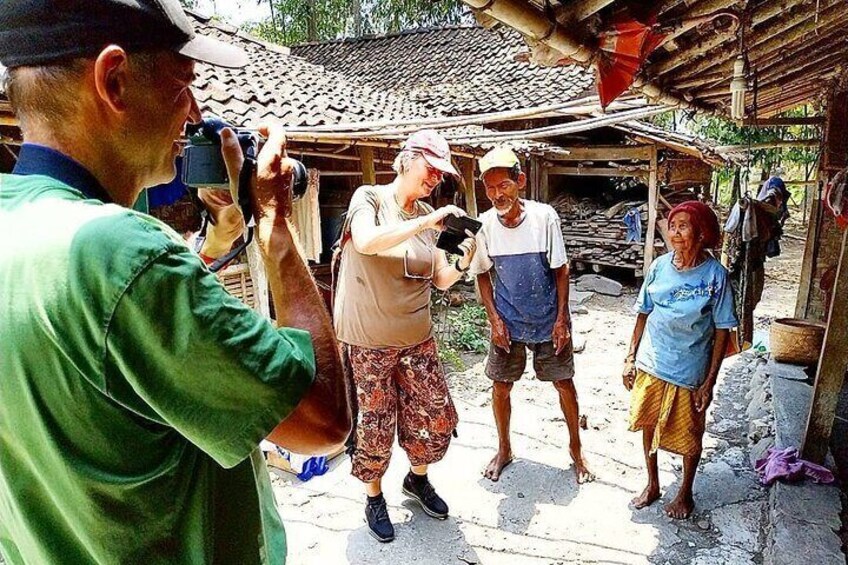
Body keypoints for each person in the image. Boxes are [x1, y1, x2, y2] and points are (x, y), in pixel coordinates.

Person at [0, 2, 351, 564]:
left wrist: (216, 240)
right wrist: (275, 224)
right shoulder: (122, 255)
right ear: (114, 81)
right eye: (183, 85)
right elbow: (324, 421)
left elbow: (101, 348)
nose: (193, 113)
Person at [333, 129, 476, 543]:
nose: (434, 179)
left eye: (440, 174)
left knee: (433, 416)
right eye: (431, 169)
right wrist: (428, 220)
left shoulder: (430, 218)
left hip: (417, 340)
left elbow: (441, 280)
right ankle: (374, 496)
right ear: (408, 160)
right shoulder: (370, 199)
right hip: (368, 341)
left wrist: (461, 263)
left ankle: (417, 479)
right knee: (375, 424)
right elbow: (366, 240)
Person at [469, 147, 593, 484]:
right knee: (500, 386)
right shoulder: (484, 226)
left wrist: (562, 320)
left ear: (520, 181)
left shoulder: (544, 217)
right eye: (491, 188)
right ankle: (504, 449)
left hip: (547, 317)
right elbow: (482, 273)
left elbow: (561, 271)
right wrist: (494, 320)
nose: (498, 194)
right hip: (508, 320)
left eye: (504, 185)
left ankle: (576, 451)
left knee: (564, 384)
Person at [623, 201, 738, 520]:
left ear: (701, 234)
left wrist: (709, 381)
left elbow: (723, 330)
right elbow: (643, 312)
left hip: (690, 369)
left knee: (690, 436)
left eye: (683, 226)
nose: (675, 232)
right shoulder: (659, 267)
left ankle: (685, 492)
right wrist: (630, 356)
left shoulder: (716, 276)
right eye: (672, 226)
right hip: (652, 361)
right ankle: (653, 483)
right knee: (648, 423)